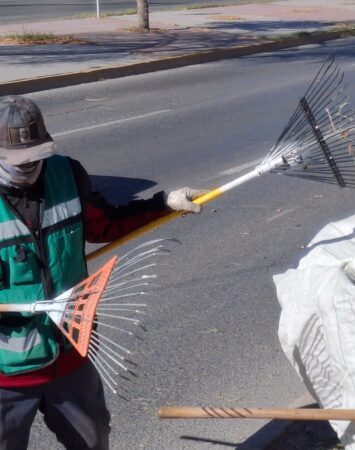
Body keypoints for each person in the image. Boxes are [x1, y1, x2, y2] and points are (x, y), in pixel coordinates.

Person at [0, 95, 205, 450]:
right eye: (19, 159)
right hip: (7, 375)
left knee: (93, 441)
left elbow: (105, 224)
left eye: (36, 155)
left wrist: (164, 204)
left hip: (70, 355)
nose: (30, 165)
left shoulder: (66, 173)